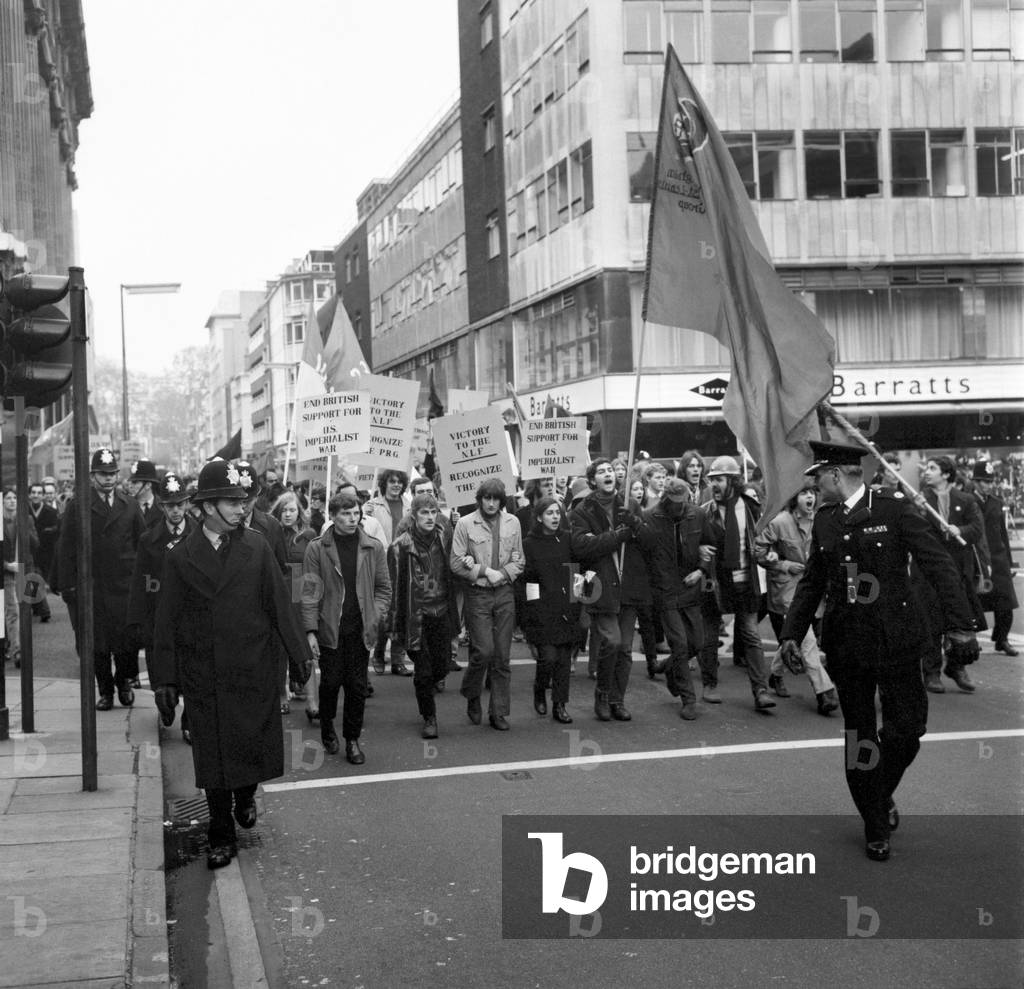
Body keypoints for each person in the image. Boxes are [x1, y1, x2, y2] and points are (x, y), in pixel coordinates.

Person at [780, 440, 979, 862]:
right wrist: (790, 635)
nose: (813, 483)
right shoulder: (826, 521)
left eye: (818, 475)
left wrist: (963, 625)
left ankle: (879, 792)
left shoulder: (894, 508)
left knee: (908, 731)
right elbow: (813, 581)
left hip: (898, 639)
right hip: (848, 643)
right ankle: (874, 821)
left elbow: (937, 564)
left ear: (837, 475)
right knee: (860, 737)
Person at [151, 458, 312, 869]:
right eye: (232, 501)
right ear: (207, 507)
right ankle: (220, 833)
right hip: (205, 674)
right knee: (212, 757)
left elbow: (280, 604)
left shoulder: (256, 547)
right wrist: (164, 681)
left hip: (252, 666)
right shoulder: (179, 558)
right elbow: (165, 623)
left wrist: (298, 655)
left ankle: (246, 795)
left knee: (248, 744)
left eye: (244, 501)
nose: (243, 508)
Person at [302, 492, 391, 764]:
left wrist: (375, 616)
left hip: (361, 628)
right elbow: (308, 592)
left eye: (356, 514)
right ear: (333, 516)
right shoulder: (317, 548)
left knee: (356, 686)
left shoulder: (372, 547)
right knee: (330, 683)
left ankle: (352, 739)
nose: (353, 519)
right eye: (346, 514)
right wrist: (310, 630)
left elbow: (383, 589)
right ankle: (327, 724)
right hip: (330, 629)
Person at [55, 448, 146, 710]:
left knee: (127, 644)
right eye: (102, 474)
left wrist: (143, 582)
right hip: (93, 587)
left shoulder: (129, 504)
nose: (108, 479)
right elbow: (66, 547)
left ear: (118, 475)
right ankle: (106, 691)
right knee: (97, 646)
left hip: (124, 586)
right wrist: (69, 585)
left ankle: (124, 682)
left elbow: (143, 543)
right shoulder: (78, 506)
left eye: (112, 474)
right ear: (93, 476)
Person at [570, 458, 653, 722]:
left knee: (626, 650)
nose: (608, 474)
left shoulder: (629, 504)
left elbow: (651, 542)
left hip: (629, 586)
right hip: (599, 585)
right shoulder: (582, 510)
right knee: (612, 641)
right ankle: (602, 693)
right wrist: (618, 536)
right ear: (593, 479)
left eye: (610, 471)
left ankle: (618, 700)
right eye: (601, 472)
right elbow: (582, 547)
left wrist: (636, 524)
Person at [754, 479, 839, 715]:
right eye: (803, 493)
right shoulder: (780, 522)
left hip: (816, 590)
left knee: (796, 637)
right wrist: (782, 564)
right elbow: (758, 550)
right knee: (808, 643)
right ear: (794, 498)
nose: (809, 497)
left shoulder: (821, 520)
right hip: (788, 589)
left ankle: (776, 674)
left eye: (812, 492)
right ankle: (825, 692)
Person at [701, 456, 775, 712]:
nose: (714, 485)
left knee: (751, 635)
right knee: (709, 636)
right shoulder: (705, 511)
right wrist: (700, 551)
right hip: (715, 583)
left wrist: (769, 553)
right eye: (712, 480)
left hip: (747, 581)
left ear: (733, 481)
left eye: (719, 480)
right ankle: (709, 684)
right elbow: (692, 542)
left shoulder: (751, 507)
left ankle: (761, 690)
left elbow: (765, 537)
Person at [450, 479, 524, 731]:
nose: (491, 503)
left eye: (495, 499)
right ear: (479, 499)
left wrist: (502, 574)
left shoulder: (513, 522)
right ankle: (472, 692)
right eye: (486, 498)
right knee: (483, 651)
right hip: (477, 594)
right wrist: (483, 570)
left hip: (504, 592)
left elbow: (519, 560)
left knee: (502, 656)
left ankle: (498, 712)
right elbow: (456, 562)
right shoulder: (465, 523)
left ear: (502, 501)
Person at [126, 472, 196, 739]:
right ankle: (166, 707)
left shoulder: (199, 535)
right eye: (170, 505)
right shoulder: (149, 539)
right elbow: (140, 582)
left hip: (191, 618)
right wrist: (137, 621)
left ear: (187, 504)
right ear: (162, 507)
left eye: (180, 504)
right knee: (162, 676)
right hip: (159, 620)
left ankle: (190, 722)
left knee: (193, 673)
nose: (176, 511)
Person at [643, 477, 716, 720]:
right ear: (666, 499)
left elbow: (709, 545)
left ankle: (668, 667)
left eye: (683, 502)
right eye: (675, 502)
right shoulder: (650, 517)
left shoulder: (697, 515)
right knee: (680, 645)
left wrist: (701, 570)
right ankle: (688, 699)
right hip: (664, 590)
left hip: (690, 587)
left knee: (697, 642)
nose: (680, 507)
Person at [387, 492, 459, 738]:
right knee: (424, 672)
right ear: (413, 515)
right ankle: (429, 717)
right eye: (424, 512)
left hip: (441, 611)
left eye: (433, 512)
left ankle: (428, 686)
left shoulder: (443, 536)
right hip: (415, 617)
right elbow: (394, 589)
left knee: (441, 666)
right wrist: (394, 625)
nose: (430, 517)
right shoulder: (400, 547)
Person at [918, 455, 987, 694]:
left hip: (958, 571)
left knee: (960, 621)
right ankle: (931, 671)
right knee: (931, 621)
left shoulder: (966, 500)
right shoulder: (920, 500)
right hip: (929, 572)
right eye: (927, 468)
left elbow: (977, 529)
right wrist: (917, 511)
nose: (926, 472)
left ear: (946, 474)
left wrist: (961, 530)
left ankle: (956, 667)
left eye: (932, 468)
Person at [523, 495, 579, 724]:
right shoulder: (529, 543)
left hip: (567, 608)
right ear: (539, 517)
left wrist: (577, 603)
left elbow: (577, 571)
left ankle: (560, 704)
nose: (555, 517)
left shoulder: (568, 539)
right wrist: (534, 610)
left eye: (558, 512)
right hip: (542, 610)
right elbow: (529, 580)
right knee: (548, 658)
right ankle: (539, 689)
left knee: (564, 661)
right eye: (550, 513)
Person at [363, 469, 414, 676]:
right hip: (382, 564)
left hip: (405, 564)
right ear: (384, 483)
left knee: (402, 612)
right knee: (384, 614)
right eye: (392, 481)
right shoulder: (374, 506)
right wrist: (363, 512)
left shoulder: (410, 506)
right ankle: (378, 653)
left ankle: (398, 660)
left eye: (399, 482)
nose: (396, 485)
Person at [272, 490, 318, 701]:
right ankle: (282, 693)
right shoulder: (273, 534)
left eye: (292, 510)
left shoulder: (309, 535)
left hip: (302, 594)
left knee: (303, 642)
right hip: (281, 594)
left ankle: (305, 690)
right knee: (279, 647)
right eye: (284, 510)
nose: (288, 514)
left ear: (299, 512)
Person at [971, 461, 1019, 656]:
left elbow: (1003, 535)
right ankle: (971, 641)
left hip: (998, 560)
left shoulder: (997, 502)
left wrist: (1009, 561)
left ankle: (1002, 639)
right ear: (974, 481)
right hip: (976, 560)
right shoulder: (967, 501)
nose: (986, 485)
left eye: (989, 481)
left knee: (1006, 605)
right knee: (974, 605)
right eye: (982, 481)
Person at [27, 482, 57, 622]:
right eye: (33, 492)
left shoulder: (51, 512)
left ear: (43, 496)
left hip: (46, 553)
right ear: (29, 494)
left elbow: (57, 532)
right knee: (32, 579)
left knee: (34, 580)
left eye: (39, 493)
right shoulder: (24, 511)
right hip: (30, 552)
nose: (36, 495)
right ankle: (42, 610)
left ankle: (38, 607)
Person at [128, 459, 162, 527]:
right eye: (130, 482)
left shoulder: (163, 506)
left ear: (148, 485)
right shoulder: (126, 507)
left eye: (135, 482)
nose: (130, 486)